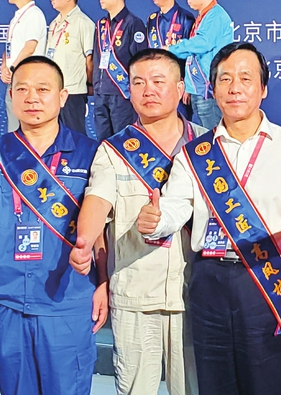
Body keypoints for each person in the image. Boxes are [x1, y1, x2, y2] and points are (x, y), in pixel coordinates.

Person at [137, 42, 281, 395]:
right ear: (212, 90)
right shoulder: (196, 154)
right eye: (225, 79)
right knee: (214, 384)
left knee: (264, 384)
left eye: (245, 78)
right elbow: (176, 206)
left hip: (265, 279)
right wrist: (157, 219)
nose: (234, 88)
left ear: (263, 89)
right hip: (208, 281)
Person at [0, 56, 107, 395]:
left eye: (42, 89)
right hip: (7, 301)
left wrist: (103, 281)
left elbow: (100, 227)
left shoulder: (91, 153)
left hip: (65, 301)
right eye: (22, 89)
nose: (32, 98)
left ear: (63, 97)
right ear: (10, 95)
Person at [70, 49, 202, 395]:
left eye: (159, 81)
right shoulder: (114, 151)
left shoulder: (207, 146)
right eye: (139, 83)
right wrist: (84, 242)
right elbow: (97, 202)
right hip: (134, 295)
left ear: (180, 89)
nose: (149, 90)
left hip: (195, 295)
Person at [167, 0, 232, 130]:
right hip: (199, 90)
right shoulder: (203, 16)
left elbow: (202, 44)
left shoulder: (216, 15)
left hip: (208, 91)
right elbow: (194, 55)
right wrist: (190, 87)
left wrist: (171, 49)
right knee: (202, 136)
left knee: (212, 137)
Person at [92, 0, 148, 140]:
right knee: (103, 142)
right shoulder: (101, 25)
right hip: (101, 92)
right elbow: (97, 56)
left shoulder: (133, 23)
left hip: (121, 92)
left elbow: (140, 60)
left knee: (123, 140)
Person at [47, 0, 96, 134]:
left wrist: (89, 83)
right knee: (55, 134)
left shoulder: (83, 23)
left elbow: (90, 59)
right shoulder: (54, 23)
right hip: (54, 90)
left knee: (74, 134)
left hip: (73, 91)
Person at [2, 0, 48, 131]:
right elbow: (10, 47)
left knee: (26, 122)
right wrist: (4, 66)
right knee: (13, 121)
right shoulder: (17, 16)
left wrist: (12, 68)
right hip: (15, 75)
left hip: (28, 76)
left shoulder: (34, 15)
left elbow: (30, 47)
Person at [147, 0, 196, 121]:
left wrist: (188, 85)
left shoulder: (185, 18)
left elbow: (191, 54)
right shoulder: (152, 19)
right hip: (156, 84)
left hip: (178, 84)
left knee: (180, 123)